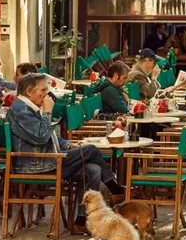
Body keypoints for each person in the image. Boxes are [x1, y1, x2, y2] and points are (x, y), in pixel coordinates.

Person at [6, 73, 117, 229]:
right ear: (28, 91)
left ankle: (81, 220)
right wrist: (47, 112)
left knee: (93, 169)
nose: (47, 94)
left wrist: (67, 145)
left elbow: (50, 135)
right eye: (43, 90)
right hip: (35, 164)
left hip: (47, 158)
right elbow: (41, 136)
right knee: (91, 150)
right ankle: (114, 186)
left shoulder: (29, 107)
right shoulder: (21, 110)